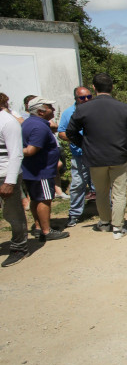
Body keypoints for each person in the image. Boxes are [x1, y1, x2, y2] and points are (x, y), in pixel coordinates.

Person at [66, 73, 127, 240]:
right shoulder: (124, 107)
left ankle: (104, 222)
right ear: (112, 87)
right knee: (119, 192)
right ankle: (118, 227)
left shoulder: (82, 108)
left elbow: (70, 132)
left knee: (101, 192)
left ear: (94, 88)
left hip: (95, 158)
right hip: (119, 156)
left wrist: (84, 145)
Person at [21, 97, 69, 241]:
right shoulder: (39, 127)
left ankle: (38, 227)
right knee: (44, 199)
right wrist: (14, 150)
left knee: (36, 198)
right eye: (50, 107)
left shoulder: (30, 122)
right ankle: (47, 231)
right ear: (41, 111)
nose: (53, 110)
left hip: (32, 170)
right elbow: (30, 150)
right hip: (41, 170)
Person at [57, 86, 95, 227]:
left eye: (89, 97)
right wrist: (78, 140)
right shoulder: (69, 113)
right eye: (82, 98)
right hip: (80, 155)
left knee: (103, 183)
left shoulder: (97, 110)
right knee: (78, 184)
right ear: (76, 99)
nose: (86, 100)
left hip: (98, 154)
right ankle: (74, 214)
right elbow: (61, 133)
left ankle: (108, 210)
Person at [0, 93, 29, 266]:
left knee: (13, 213)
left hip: (5, 174)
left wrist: (9, 181)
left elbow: (17, 153)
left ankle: (19, 247)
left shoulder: (8, 122)